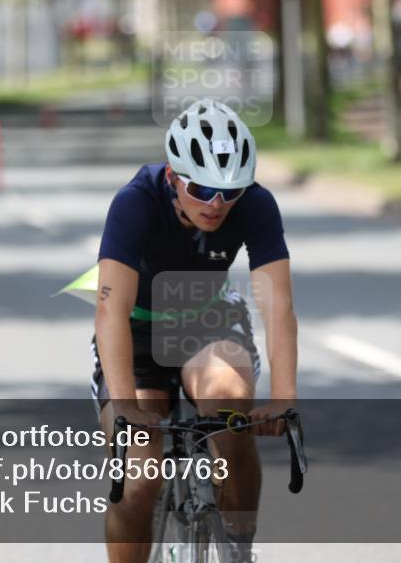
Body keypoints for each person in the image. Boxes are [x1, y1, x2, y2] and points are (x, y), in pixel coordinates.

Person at [91, 99, 298, 563]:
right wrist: (124, 404)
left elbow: (278, 304)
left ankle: (237, 546)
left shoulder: (256, 205)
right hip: (135, 330)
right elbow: (109, 310)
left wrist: (284, 396)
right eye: (202, 188)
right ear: (173, 176)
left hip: (207, 319)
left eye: (231, 190)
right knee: (140, 477)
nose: (217, 203)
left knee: (231, 409)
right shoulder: (135, 202)